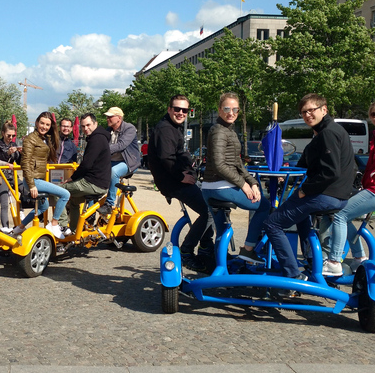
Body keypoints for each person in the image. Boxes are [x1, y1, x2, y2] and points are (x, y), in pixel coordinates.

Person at [264, 93, 355, 290]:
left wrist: (305, 189)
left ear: (324, 109)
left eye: (311, 110)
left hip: (326, 194)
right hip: (338, 195)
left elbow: (330, 172)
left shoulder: (328, 133)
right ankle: (312, 262)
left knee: (272, 224)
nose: (307, 115)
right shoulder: (324, 132)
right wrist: (282, 172)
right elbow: (304, 164)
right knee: (301, 217)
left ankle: (292, 274)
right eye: (304, 112)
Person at [201, 92, 270, 264]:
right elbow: (219, 165)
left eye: (235, 109)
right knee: (264, 207)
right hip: (220, 187)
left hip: (211, 188)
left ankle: (220, 269)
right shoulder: (219, 131)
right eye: (227, 108)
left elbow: (238, 163)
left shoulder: (227, 130)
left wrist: (252, 182)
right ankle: (248, 250)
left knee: (222, 230)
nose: (231, 113)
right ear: (219, 110)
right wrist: (244, 185)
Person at [149, 94, 215, 271]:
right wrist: (181, 177)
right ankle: (187, 252)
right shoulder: (165, 129)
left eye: (184, 110)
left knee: (212, 202)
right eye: (176, 109)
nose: (180, 112)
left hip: (177, 179)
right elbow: (166, 158)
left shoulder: (172, 127)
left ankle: (206, 248)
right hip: (174, 182)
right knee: (208, 211)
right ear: (169, 109)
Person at [322, 100, 375, 274]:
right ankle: (360, 258)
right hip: (370, 186)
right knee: (338, 213)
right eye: (373, 114)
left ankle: (333, 261)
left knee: (339, 214)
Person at [11, 112, 70, 238]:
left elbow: (39, 159)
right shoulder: (30, 139)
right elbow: (25, 162)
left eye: (47, 124)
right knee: (65, 194)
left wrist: (44, 169)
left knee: (44, 206)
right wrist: (32, 185)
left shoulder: (44, 138)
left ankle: (20, 228)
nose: (44, 126)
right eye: (42, 123)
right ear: (36, 123)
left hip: (38, 177)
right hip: (33, 180)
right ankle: (54, 224)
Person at [56, 113, 111, 235]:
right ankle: (74, 231)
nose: (86, 129)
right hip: (100, 183)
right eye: (83, 126)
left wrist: (72, 178)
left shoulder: (97, 139)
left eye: (88, 125)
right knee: (74, 201)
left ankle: (63, 226)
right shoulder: (99, 137)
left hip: (93, 182)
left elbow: (86, 164)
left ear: (95, 124)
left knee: (57, 190)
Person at [98, 107, 140, 217]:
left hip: (128, 162)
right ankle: (91, 210)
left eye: (110, 116)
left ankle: (109, 204)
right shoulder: (108, 131)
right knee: (93, 173)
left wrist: (104, 149)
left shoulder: (129, 128)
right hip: (112, 161)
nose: (107, 118)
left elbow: (121, 145)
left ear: (119, 118)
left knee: (113, 172)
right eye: (107, 116)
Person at [0, 122, 21, 230]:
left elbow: (19, 161)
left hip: (11, 176)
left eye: (13, 136)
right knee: (4, 203)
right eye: (8, 135)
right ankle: (5, 228)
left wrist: (22, 153)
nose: (11, 138)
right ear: (3, 133)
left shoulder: (14, 144)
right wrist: (7, 153)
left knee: (27, 190)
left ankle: (21, 212)